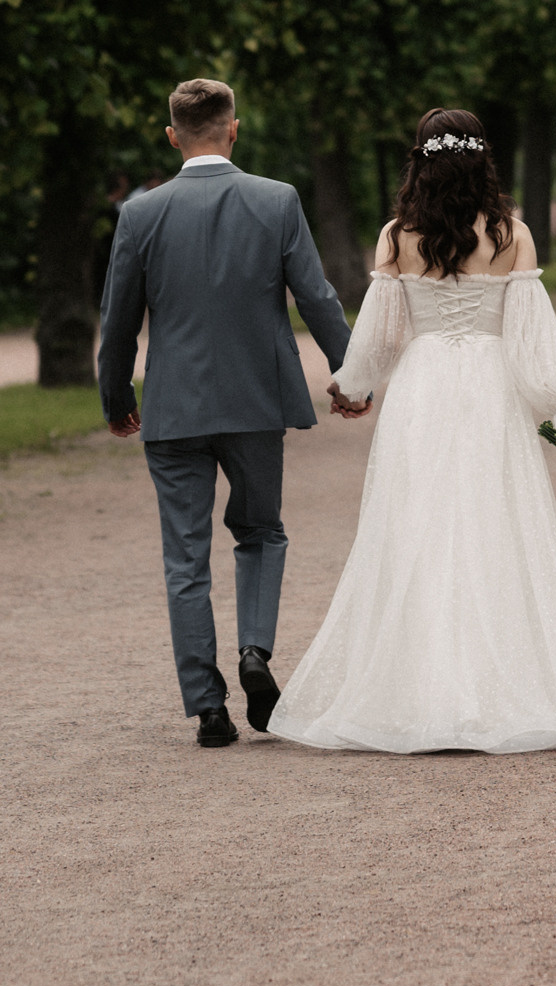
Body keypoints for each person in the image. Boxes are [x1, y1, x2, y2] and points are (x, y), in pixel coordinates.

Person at [269, 108, 556, 755]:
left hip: (424, 389)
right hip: (488, 388)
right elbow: (528, 335)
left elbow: (377, 335)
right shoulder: (511, 234)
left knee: (419, 528)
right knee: (492, 527)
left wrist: (351, 386)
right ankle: (493, 688)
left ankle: (419, 690)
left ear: (420, 162)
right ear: (482, 160)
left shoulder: (396, 236)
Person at [97, 75, 360, 750]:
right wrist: (351, 374)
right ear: (232, 128)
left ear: (171, 135)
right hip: (254, 401)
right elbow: (317, 298)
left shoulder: (140, 214)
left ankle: (207, 707)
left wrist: (118, 399)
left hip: (175, 407)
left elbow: (118, 322)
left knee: (184, 558)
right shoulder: (275, 201)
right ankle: (255, 652)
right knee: (261, 531)